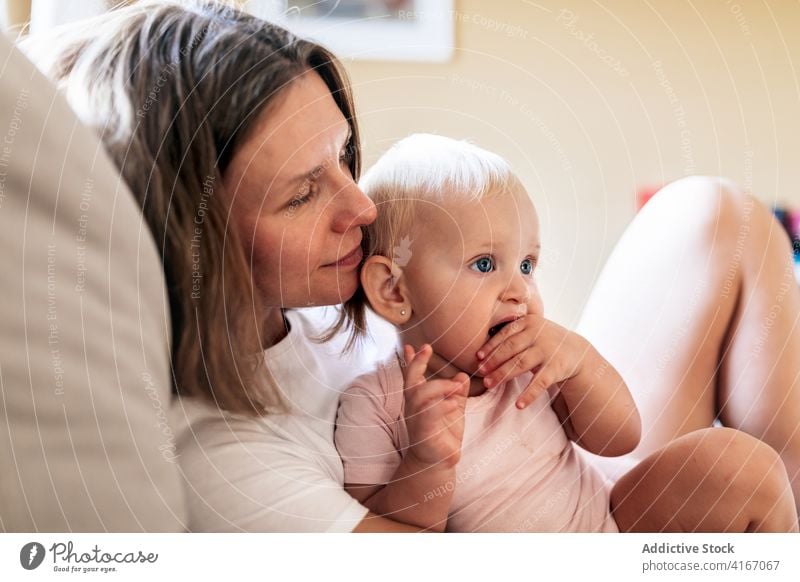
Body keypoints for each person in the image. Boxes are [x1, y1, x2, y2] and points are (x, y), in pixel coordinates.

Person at [22, 0, 800, 531]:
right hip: (526, 539)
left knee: (718, 216)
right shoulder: (228, 464)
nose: (359, 208)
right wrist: (431, 454)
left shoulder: (319, 285)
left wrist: (541, 334)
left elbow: (594, 423)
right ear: (191, 241)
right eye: (302, 195)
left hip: (569, 489)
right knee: (741, 483)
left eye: (343, 159)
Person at [333, 133, 797, 532]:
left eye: (527, 265)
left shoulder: (528, 363)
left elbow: (620, 440)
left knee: (739, 464)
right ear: (394, 289)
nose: (519, 290)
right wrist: (425, 464)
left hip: (613, 522)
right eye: (484, 264)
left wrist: (580, 362)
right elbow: (393, 545)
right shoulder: (374, 405)